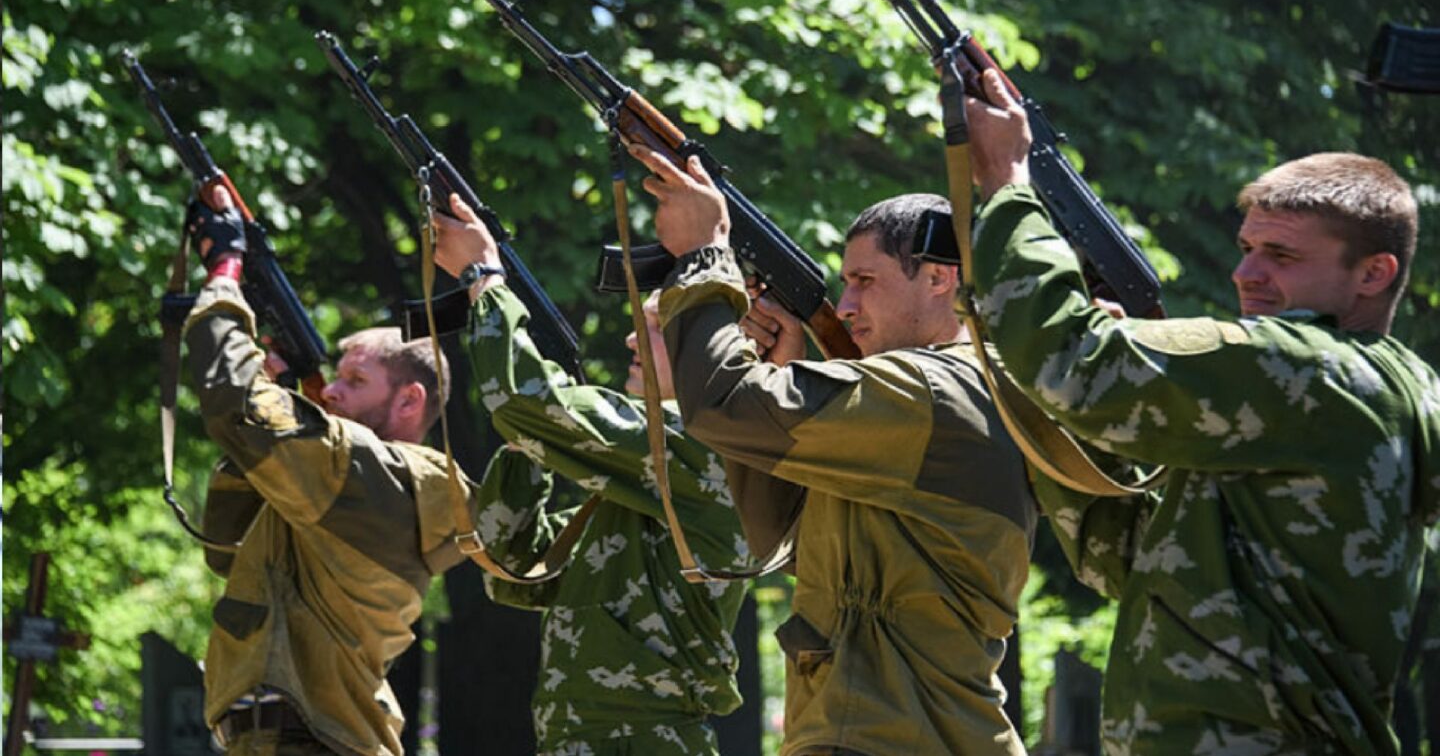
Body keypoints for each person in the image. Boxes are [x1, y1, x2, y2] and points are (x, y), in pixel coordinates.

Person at [964, 67, 1440, 754]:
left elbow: (1066, 358)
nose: (1246, 275)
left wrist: (1007, 184)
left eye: (1281, 255)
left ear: (1374, 272)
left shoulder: (1308, 371)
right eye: (1248, 249)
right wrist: (1087, 411)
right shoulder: (1389, 383)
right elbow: (1124, 558)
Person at [628, 145, 1037, 755]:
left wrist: (705, 257)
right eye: (846, 284)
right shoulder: (932, 396)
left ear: (939, 277)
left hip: (889, 737)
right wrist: (781, 373)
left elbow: (720, 403)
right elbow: (782, 539)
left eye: (865, 282)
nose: (846, 307)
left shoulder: (932, 389)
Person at [430, 192, 761, 755]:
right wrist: (534, 447)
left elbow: (519, 398)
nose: (633, 338)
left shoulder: (702, 444)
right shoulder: (635, 487)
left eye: (657, 327)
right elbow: (509, 567)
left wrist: (484, 276)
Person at [183, 187, 476, 755]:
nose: (334, 393)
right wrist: (286, 395)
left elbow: (233, 402)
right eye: (334, 378)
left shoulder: (383, 477)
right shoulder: (331, 484)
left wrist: (224, 274)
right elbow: (226, 549)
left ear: (410, 401)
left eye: (356, 383)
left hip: (314, 741)